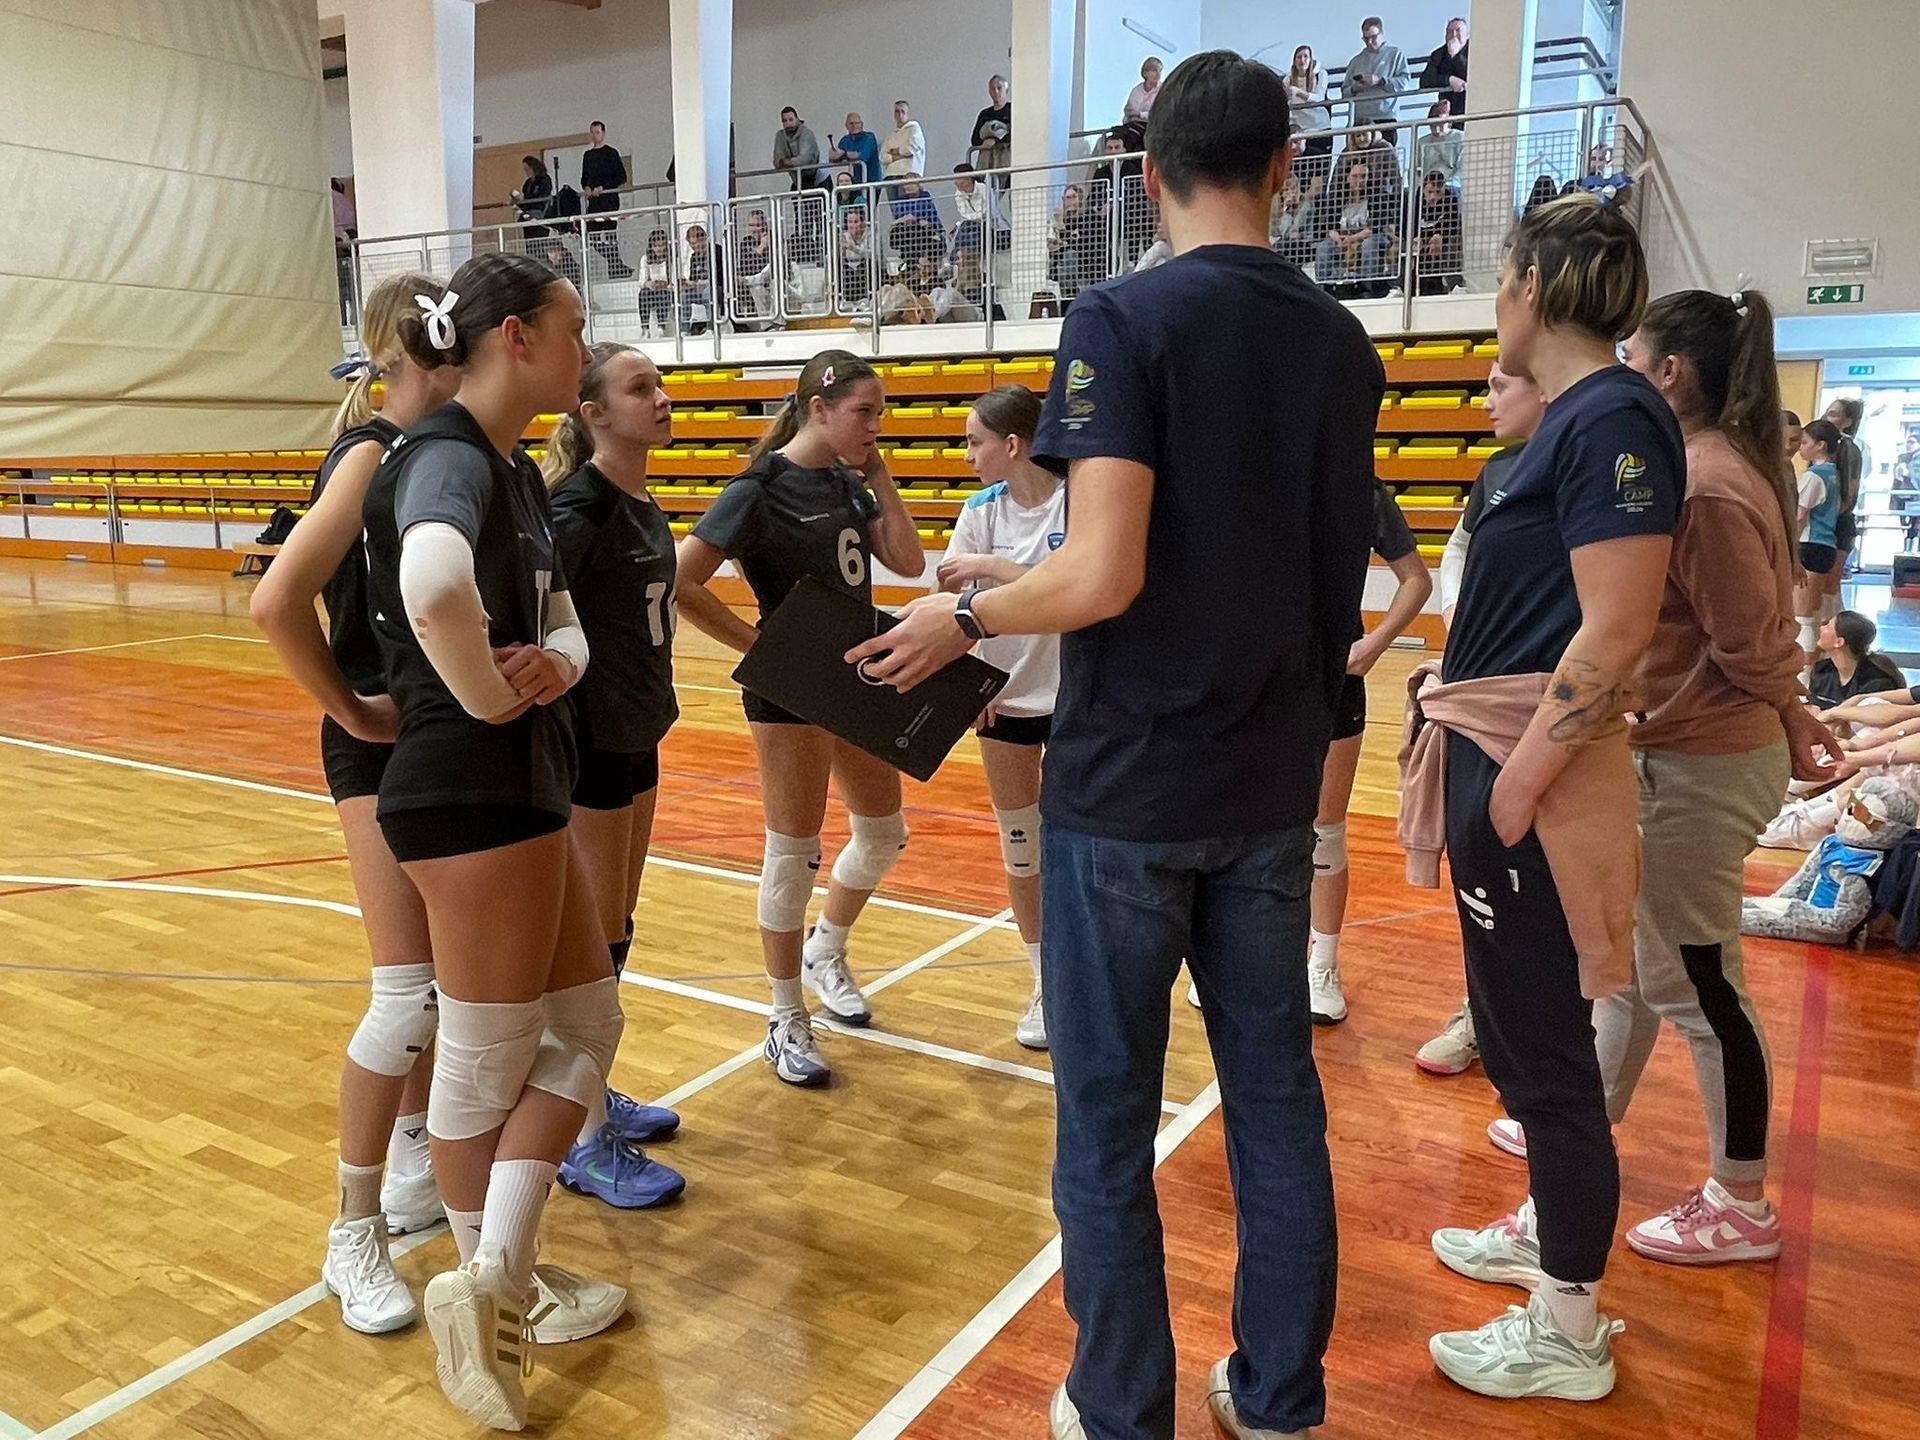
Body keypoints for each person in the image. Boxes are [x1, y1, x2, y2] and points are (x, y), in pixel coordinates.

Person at [846, 50, 1379, 1440]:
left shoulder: (1121, 317)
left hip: (1130, 792)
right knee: (1275, 1103)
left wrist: (964, 613)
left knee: (1104, 1120)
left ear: (1148, 178)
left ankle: (1119, 1406)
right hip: (1273, 785)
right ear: (1285, 168)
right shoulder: (1343, 344)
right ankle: (1278, 1399)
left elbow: (1101, 572)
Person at [1420, 193, 1680, 1402]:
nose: (1498, 301)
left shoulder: (1613, 416)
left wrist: (1515, 791)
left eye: (1504, 278)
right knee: (1522, 1045)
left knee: (1551, 1065)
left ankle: (1570, 1329)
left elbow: (1616, 631)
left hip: (1533, 775)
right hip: (1499, 756)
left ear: (1534, 286)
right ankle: (1546, 1243)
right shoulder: (1575, 421)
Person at [360, 252, 627, 1427]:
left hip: (517, 791)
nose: (585, 349)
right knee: (482, 1065)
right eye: (573, 328)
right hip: (471, 796)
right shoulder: (448, 456)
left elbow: (566, 629)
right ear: (516, 336)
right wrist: (485, 699)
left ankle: (493, 1282)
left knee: (588, 1025)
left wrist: (550, 666)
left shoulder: (512, 469)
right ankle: (491, 1287)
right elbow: (431, 583)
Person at [1577, 288, 1840, 1274]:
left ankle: (1741, 1200)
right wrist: (1792, 711)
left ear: (1671, 371)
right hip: (1694, 752)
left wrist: (1793, 709)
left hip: (1701, 762)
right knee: (1649, 966)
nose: (1622, 371)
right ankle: (1585, 1120)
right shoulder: (1716, 466)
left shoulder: (1705, 483)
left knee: (1697, 983)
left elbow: (1747, 641)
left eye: (1633, 355)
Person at [252, 274, 461, 1336]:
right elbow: (276, 601)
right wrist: (350, 709)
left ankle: (417, 1157)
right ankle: (351, 1231)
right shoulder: (373, 454)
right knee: (406, 992)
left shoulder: (443, 455)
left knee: (442, 989)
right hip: (378, 745)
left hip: (438, 737)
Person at [673, 352, 926, 1086]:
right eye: (864, 412)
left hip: (854, 676)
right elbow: (681, 578)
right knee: (794, 851)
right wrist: (759, 647)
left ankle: (826, 948)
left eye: (881, 413)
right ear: (818, 408)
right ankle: (785, 1017)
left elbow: (908, 561)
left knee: (884, 833)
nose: (877, 425)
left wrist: (878, 472)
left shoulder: (848, 481)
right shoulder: (757, 487)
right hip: (789, 690)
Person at [541, 343, 690, 1212]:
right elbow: (523, 614)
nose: (661, 398)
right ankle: (579, 1134)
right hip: (592, 746)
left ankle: (592, 1089)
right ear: (593, 412)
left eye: (660, 385)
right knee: (590, 948)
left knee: (616, 930)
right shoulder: (578, 509)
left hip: (640, 735)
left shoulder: (641, 501)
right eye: (641, 389)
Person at [1193, 479, 1429, 1023]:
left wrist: (1374, 644)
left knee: (1325, 830)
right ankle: (1235, 960)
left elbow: (1416, 580)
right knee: (1240, 825)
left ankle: (1322, 964)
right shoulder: (1247, 481)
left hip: (1331, 683)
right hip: (1253, 681)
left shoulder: (1362, 490)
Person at [1419, 360, 1545, 1078]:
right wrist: (1458, 613)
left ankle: (1551, 1043)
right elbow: (1460, 545)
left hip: (1558, 708)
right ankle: (1484, 1015)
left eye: (1501, 386)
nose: (1488, 400)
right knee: (1484, 873)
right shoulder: (1496, 470)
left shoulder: (1592, 467)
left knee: (1552, 895)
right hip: (1483, 702)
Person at [934, 386, 1065, 1049]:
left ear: (1012, 444)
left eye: (974, 441)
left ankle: (1084, 971)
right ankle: (1045, 981)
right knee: (1023, 846)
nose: (967, 455)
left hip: (1075, 702)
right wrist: (970, 682)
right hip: (1003, 699)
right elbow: (952, 605)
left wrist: (990, 565)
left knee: (1081, 846)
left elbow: (1067, 588)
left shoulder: (1079, 499)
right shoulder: (979, 510)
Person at [1793, 418, 1846, 666]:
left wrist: (1789, 543)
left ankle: (1804, 676)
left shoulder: (1814, 476)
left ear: (1820, 445)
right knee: (1815, 615)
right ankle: (1817, 669)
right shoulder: (1835, 474)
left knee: (1802, 617)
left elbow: (1800, 515)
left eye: (1805, 442)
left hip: (1809, 546)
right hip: (1826, 547)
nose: (1800, 448)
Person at [1314, 158, 1388, 292]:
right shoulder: (1337, 198)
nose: (1359, 180)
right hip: (1343, 238)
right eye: (1355, 176)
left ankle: (1367, 288)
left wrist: (1352, 239)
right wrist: (1338, 239)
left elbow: (1375, 228)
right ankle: (1324, 289)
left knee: (1369, 245)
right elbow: (1328, 227)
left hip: (1371, 236)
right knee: (1323, 247)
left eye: (1363, 176)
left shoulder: (1377, 196)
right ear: (1347, 178)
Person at [1807, 610, 1906, 708]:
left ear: (1839, 642)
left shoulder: (1877, 682)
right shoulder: (1821, 670)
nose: (1821, 628)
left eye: (1827, 626)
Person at [581, 120, 634, 278]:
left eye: (597, 132)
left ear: (603, 133)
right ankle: (616, 265)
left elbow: (621, 177)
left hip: (609, 200)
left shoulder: (611, 153)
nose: (594, 135)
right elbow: (584, 177)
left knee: (610, 235)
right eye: (592, 132)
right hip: (594, 203)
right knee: (592, 236)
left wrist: (603, 187)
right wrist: (587, 187)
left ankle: (615, 268)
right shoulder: (588, 155)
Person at [1824, 396, 1866, 579]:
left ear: (1847, 422)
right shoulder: (1832, 446)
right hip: (1830, 522)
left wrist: (1829, 517)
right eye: (1827, 413)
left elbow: (1850, 488)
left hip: (1836, 523)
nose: (1827, 418)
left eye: (1833, 414)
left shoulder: (1846, 447)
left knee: (1828, 585)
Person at [1344, 17, 1412, 127]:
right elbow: (1344, 92)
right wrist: (1354, 88)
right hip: (1361, 119)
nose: (1369, 42)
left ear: (1382, 33)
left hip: (1386, 116)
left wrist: (1380, 81)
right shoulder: (1355, 61)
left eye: (1373, 37)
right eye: (1366, 39)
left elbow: (1405, 84)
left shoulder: (1395, 54)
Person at [1415, 170, 1463, 294]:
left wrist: (1440, 236)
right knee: (1407, 247)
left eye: (1438, 193)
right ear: (1423, 190)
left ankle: (1455, 285)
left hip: (1441, 239)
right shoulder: (1415, 201)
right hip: (1420, 238)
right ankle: (1400, 288)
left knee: (1451, 244)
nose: (1433, 197)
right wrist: (1418, 238)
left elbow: (1453, 226)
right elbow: (1408, 225)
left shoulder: (1451, 199)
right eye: (1430, 192)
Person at [950, 165, 1008, 263]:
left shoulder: (983, 188)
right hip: (974, 228)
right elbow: (964, 214)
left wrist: (973, 219)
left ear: (968, 178)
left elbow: (988, 212)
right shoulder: (958, 194)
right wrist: (974, 218)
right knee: (968, 227)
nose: (955, 182)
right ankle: (964, 256)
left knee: (968, 226)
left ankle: (955, 258)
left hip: (994, 229)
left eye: (958, 178)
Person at [887, 175, 945, 271]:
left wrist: (916, 219)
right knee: (901, 232)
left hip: (925, 232)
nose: (908, 186)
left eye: (912, 183)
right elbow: (896, 221)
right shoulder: (901, 201)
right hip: (907, 234)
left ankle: (917, 264)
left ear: (919, 185)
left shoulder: (925, 198)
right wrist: (904, 219)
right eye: (906, 183)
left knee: (915, 230)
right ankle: (913, 264)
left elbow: (930, 219)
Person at [1418, 16, 1470, 117]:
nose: (1453, 35)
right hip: (1447, 110)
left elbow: (1473, 76)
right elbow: (1425, 81)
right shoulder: (1438, 54)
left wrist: (1455, 56)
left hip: (1471, 106)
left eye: (1458, 31)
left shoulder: (1475, 50)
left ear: (1467, 34)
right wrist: (1449, 80)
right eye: (1449, 32)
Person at [1284, 46, 1332, 156]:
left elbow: (1319, 97)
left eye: (1305, 56)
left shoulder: (1321, 74)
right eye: (1299, 57)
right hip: (1299, 130)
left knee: (1320, 160)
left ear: (1311, 59)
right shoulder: (1288, 79)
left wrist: (1299, 92)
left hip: (1320, 127)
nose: (1302, 60)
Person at [736, 207, 775, 326]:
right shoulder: (746, 241)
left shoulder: (774, 239)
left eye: (758, 225)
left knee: (759, 286)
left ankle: (768, 325)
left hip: (771, 280)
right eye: (751, 225)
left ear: (764, 225)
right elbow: (746, 265)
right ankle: (740, 325)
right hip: (751, 280)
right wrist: (761, 248)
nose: (754, 229)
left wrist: (766, 246)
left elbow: (775, 266)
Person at [1412, 102, 1464, 188]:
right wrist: (1421, 187)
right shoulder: (1422, 142)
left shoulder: (1460, 138)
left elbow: (1462, 167)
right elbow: (1414, 171)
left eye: (1440, 124)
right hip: (1427, 186)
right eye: (1432, 125)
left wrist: (1447, 185)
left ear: (1449, 121)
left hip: (1451, 186)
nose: (1436, 129)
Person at [773, 106, 825, 192]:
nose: (788, 123)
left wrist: (788, 162)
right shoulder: (780, 136)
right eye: (784, 121)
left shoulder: (807, 133)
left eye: (791, 119)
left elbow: (805, 159)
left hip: (819, 179)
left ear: (797, 119)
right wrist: (782, 162)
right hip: (798, 180)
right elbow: (777, 161)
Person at [683, 222, 722, 335]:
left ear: (703, 238)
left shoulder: (716, 251)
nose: (693, 247)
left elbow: (721, 276)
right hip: (699, 288)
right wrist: (688, 284)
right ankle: (684, 329)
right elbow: (693, 277)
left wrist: (704, 283)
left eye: (694, 243)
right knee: (683, 296)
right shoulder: (694, 257)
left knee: (708, 293)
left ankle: (711, 327)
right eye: (691, 244)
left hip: (716, 287)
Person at [636, 227, 674, 338]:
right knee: (643, 293)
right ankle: (645, 329)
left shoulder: (672, 258)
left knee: (663, 293)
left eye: (662, 245)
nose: (659, 249)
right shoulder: (645, 259)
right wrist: (649, 284)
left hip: (666, 291)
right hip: (651, 291)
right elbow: (642, 281)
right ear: (651, 246)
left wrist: (666, 284)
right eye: (656, 245)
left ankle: (661, 327)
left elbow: (674, 280)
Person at [837, 207, 879, 307]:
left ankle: (869, 298)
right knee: (839, 265)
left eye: (856, 222)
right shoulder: (843, 236)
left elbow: (875, 255)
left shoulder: (871, 234)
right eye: (850, 222)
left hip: (865, 268)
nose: (852, 225)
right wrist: (841, 251)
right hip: (850, 270)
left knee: (870, 263)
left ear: (863, 223)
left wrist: (854, 249)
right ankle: (844, 299)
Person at [971, 74, 1012, 174]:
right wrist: (984, 143)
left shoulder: (1012, 110)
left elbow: (1017, 134)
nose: (996, 92)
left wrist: (996, 140)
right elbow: (974, 140)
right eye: (993, 89)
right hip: (987, 162)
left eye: (999, 88)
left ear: (1006, 91)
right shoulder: (984, 114)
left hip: (1006, 160)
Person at [882, 101, 926, 191]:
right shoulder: (891, 135)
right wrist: (899, 156)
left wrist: (896, 151)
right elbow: (882, 157)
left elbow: (911, 148)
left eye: (903, 111)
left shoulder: (914, 128)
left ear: (907, 114)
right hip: (890, 175)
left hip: (908, 175)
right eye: (897, 111)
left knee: (906, 200)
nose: (900, 115)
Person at [828, 113, 882, 189]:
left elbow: (863, 157)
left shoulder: (869, 137)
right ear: (846, 125)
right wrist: (833, 154)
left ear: (862, 124)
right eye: (851, 123)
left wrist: (844, 154)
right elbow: (834, 159)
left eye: (857, 123)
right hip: (856, 181)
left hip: (872, 181)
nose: (854, 126)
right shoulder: (845, 140)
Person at [511, 155, 553, 241]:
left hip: (539, 212)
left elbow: (543, 195)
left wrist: (527, 200)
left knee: (539, 239)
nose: (526, 172)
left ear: (533, 167)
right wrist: (518, 200)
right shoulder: (527, 183)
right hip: (527, 214)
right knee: (529, 240)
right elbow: (525, 196)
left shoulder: (544, 179)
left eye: (527, 169)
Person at [1123, 56, 1163, 124]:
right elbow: (1129, 112)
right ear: (1145, 73)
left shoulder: (1162, 90)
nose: (1158, 74)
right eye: (1154, 70)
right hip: (1131, 125)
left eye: (1160, 71)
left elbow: (1160, 114)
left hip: (1151, 127)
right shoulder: (1136, 90)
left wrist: (1140, 115)